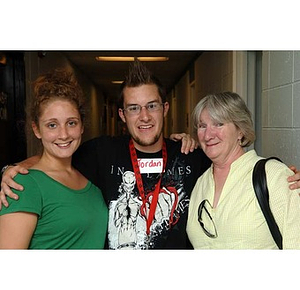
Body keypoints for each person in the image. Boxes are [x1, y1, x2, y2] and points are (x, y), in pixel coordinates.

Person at [2, 62, 300, 249]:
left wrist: (281, 177)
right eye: (133, 108)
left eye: (152, 106)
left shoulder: (192, 155)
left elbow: (235, 163)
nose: (144, 116)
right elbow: (55, 160)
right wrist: (14, 168)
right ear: (122, 114)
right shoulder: (98, 153)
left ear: (165, 108)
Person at [0, 69, 108, 249]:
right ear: (37, 130)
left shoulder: (91, 179)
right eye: (52, 125)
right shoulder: (22, 185)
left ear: (81, 126)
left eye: (71, 123)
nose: (63, 134)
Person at [186, 92, 300, 249]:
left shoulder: (273, 175)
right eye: (202, 126)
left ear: (240, 130)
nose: (208, 135)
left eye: (219, 124)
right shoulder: (200, 183)